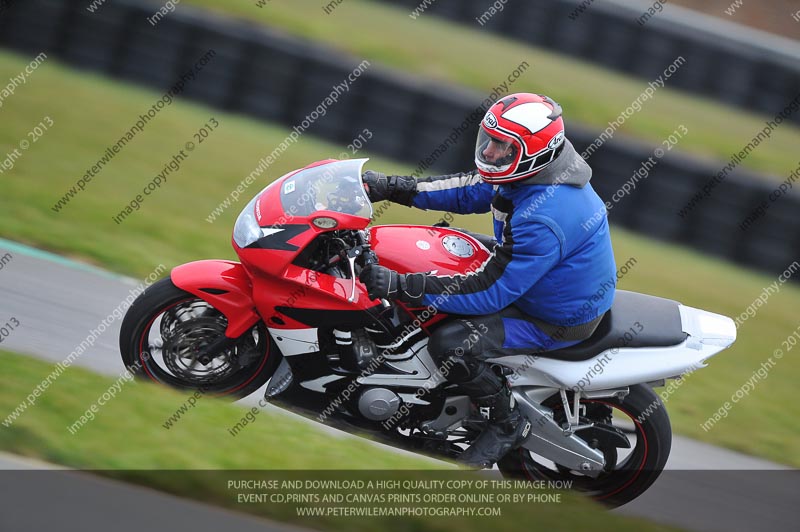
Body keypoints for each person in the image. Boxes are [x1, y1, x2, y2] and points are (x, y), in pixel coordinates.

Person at [359, 93, 617, 468]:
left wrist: (402, 285)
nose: (490, 152)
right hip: (537, 278)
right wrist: (391, 187)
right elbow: (471, 190)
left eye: (503, 146)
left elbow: (490, 292)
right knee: (441, 245)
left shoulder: (545, 214)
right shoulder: (532, 170)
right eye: (490, 140)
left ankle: (506, 421)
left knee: (452, 344)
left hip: (553, 316)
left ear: (533, 153)